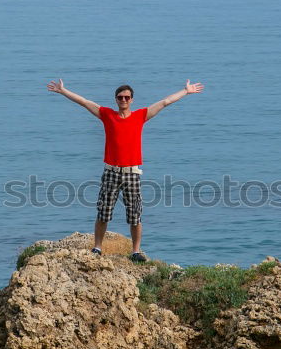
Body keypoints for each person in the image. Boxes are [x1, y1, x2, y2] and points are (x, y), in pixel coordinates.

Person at [46, 78, 204, 261]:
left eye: (127, 97)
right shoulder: (107, 115)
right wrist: (63, 91)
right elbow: (84, 102)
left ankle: (135, 252)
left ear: (132, 100)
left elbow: (164, 102)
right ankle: (97, 248)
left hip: (132, 173)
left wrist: (186, 91)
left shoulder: (140, 116)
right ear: (116, 99)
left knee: (135, 215)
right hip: (111, 172)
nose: (123, 100)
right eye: (120, 97)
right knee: (103, 212)